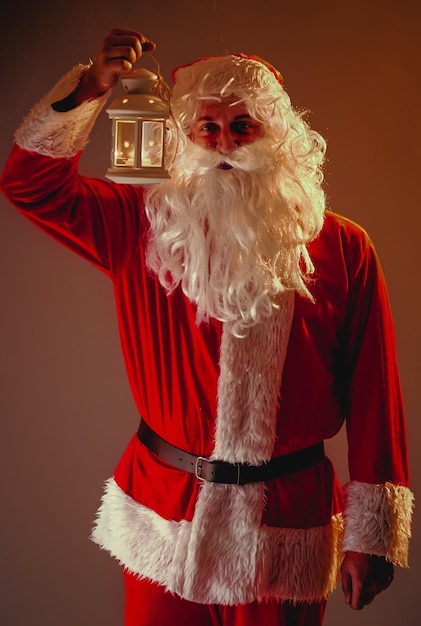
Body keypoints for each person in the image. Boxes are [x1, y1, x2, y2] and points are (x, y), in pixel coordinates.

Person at [0, 27, 414, 626]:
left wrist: (369, 537)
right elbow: (29, 186)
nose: (225, 144)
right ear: (185, 137)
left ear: (277, 137)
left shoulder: (344, 248)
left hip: (285, 525)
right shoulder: (145, 227)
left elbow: (375, 395)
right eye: (208, 128)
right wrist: (91, 88)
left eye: (243, 126)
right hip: (166, 515)